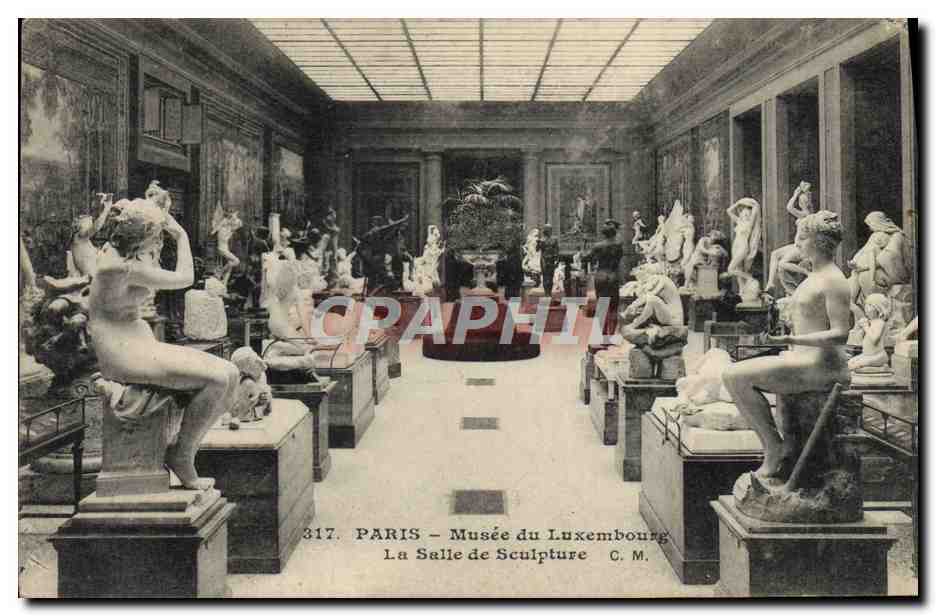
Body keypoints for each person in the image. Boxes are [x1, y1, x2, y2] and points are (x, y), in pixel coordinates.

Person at [88, 195, 240, 490]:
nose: (158, 242)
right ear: (142, 234)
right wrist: (181, 235)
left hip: (138, 342)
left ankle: (182, 445)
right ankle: (182, 455)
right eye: (156, 236)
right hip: (120, 352)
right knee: (217, 380)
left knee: (231, 373)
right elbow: (185, 278)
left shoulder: (123, 255)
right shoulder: (118, 267)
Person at [722, 211, 851, 480]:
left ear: (818, 242)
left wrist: (792, 340)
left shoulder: (834, 279)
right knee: (731, 373)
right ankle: (776, 446)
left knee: (735, 376)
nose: (797, 243)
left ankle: (774, 448)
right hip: (803, 358)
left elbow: (841, 334)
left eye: (802, 238)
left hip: (823, 365)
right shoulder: (814, 275)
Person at [765, 181, 813, 296]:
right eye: (801, 201)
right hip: (796, 245)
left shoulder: (806, 214)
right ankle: (770, 283)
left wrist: (796, 194)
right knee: (774, 254)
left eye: (804, 201)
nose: (802, 203)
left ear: (808, 202)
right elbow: (790, 207)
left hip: (801, 247)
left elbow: (789, 207)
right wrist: (796, 194)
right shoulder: (803, 213)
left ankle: (806, 272)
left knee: (782, 264)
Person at [583, 220, 624, 336]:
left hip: (601, 275)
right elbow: (618, 259)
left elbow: (586, 258)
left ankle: (603, 334)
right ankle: (611, 335)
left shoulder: (598, 246)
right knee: (613, 307)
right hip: (613, 275)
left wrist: (584, 247)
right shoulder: (618, 245)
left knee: (602, 306)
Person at [721, 198, 762, 297]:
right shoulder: (739, 221)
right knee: (739, 269)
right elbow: (728, 211)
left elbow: (756, 207)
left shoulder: (750, 224)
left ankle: (750, 278)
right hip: (736, 246)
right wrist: (738, 203)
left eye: (748, 214)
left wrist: (749, 203)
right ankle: (742, 292)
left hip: (743, 247)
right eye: (744, 213)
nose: (746, 215)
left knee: (731, 269)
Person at [68, 193, 115, 278]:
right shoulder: (79, 238)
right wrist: (106, 209)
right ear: (77, 226)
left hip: (93, 275)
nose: (90, 224)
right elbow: (96, 227)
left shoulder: (84, 240)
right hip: (91, 278)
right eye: (87, 223)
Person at [537, 224, 560, 297]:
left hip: (551, 259)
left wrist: (557, 260)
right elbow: (537, 249)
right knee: (545, 277)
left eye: (550, 229)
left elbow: (556, 250)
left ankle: (549, 292)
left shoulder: (554, 239)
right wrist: (538, 243)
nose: (549, 231)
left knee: (550, 277)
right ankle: (546, 292)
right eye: (547, 229)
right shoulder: (542, 239)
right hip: (544, 259)